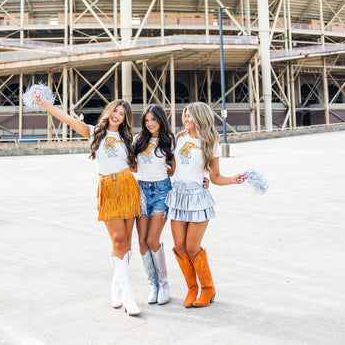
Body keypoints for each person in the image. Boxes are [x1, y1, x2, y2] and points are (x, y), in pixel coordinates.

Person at [34, 95, 141, 316]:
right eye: (115, 111)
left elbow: (139, 166)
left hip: (128, 188)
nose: (117, 116)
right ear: (109, 111)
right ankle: (129, 296)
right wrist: (46, 105)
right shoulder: (94, 132)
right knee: (118, 240)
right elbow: (68, 119)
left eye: (122, 114)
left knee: (127, 244)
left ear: (125, 119)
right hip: (108, 190)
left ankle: (116, 288)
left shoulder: (128, 139)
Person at [165, 102, 246, 308]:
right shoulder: (178, 138)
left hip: (197, 197)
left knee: (192, 247)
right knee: (180, 247)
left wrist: (233, 179)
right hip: (178, 195)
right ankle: (192, 288)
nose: (186, 119)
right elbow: (173, 170)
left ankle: (208, 289)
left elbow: (215, 177)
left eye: (190, 116)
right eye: (185, 115)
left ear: (201, 117)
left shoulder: (211, 142)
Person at [133, 104, 175, 306]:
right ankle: (153, 284)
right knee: (142, 241)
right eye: (147, 120)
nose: (150, 124)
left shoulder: (169, 141)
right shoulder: (138, 140)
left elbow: (175, 169)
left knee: (152, 239)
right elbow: (132, 165)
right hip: (141, 191)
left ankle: (164, 284)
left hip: (161, 191)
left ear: (160, 120)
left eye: (154, 120)